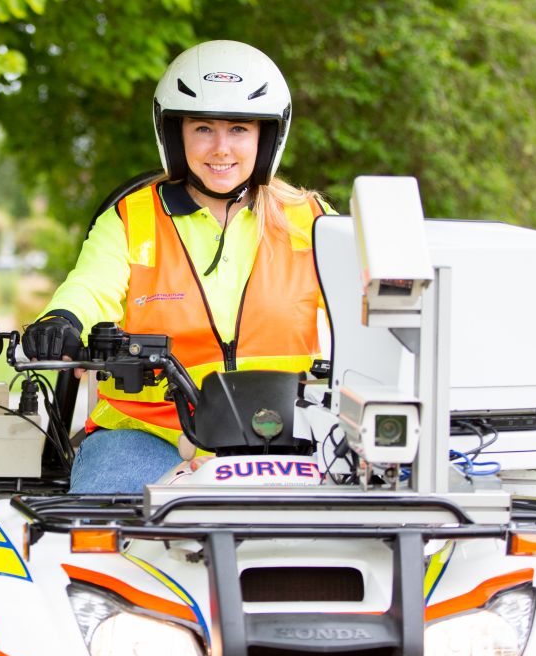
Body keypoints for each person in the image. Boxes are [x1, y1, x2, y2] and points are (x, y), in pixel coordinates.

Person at [22, 40, 330, 493]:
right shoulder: (132, 217)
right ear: (175, 134)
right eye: (203, 128)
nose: (221, 148)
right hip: (148, 434)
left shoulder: (311, 220)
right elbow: (90, 286)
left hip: (283, 434)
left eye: (240, 129)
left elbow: (373, 302)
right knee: (107, 523)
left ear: (266, 138)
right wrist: (61, 319)